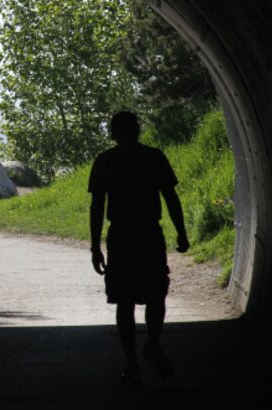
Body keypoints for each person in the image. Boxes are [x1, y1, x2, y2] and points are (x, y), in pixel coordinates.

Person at [88, 110, 190, 385]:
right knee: (156, 293)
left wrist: (95, 246)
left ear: (113, 132)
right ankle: (153, 344)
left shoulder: (105, 161)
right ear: (137, 130)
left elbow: (97, 207)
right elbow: (171, 198)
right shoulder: (153, 157)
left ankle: (131, 363)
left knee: (124, 300)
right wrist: (181, 233)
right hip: (148, 234)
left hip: (120, 236)